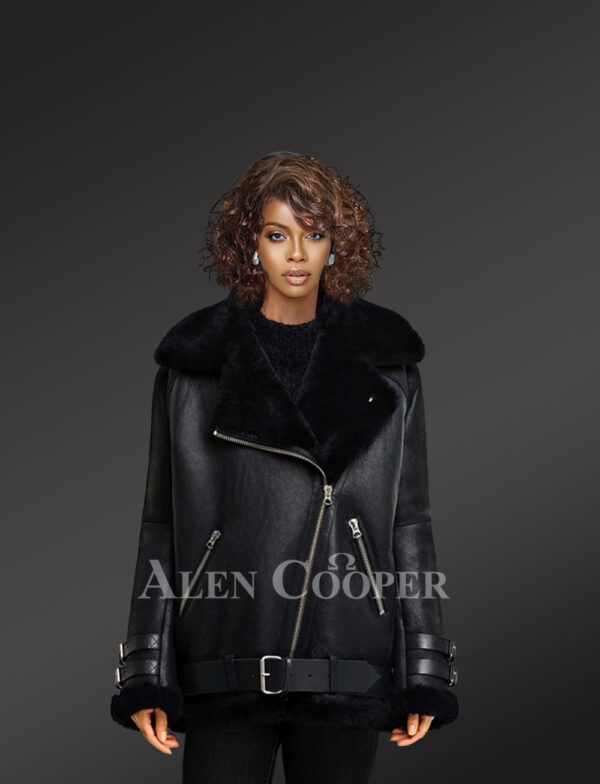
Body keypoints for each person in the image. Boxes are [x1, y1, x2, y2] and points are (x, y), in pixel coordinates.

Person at [110, 151, 459, 783]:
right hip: (225, 660)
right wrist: (147, 669)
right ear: (249, 244)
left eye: (314, 234)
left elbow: (409, 522)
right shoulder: (194, 368)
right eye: (277, 235)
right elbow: (160, 525)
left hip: (345, 664)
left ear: (337, 246)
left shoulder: (388, 367)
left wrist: (425, 669)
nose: (297, 254)